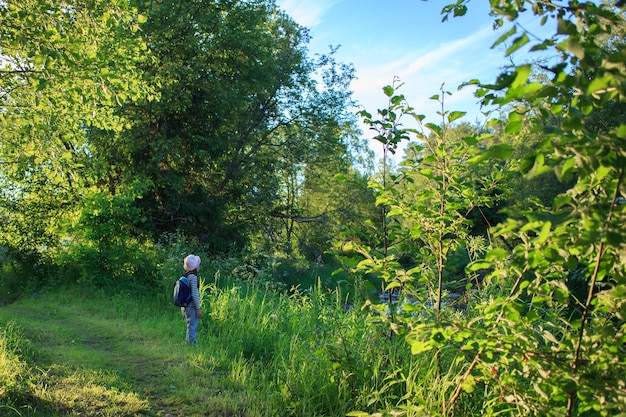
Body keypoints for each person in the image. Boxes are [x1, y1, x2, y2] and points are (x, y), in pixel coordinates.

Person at [181, 254, 203, 346]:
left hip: (185, 305)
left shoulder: (186, 276)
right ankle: (192, 345)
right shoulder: (193, 277)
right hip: (191, 305)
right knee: (192, 326)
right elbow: (194, 293)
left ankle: (188, 344)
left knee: (189, 326)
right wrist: (198, 308)